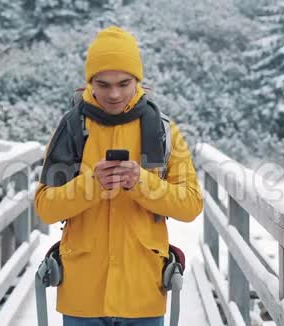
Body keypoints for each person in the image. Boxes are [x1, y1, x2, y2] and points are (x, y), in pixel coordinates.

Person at [34, 26, 203, 326]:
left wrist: (142, 183)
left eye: (124, 83)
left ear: (138, 80)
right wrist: (91, 185)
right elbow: (45, 208)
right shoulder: (71, 129)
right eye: (103, 83)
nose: (114, 94)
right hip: (81, 295)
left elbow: (191, 205)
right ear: (89, 82)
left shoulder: (165, 132)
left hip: (144, 293)